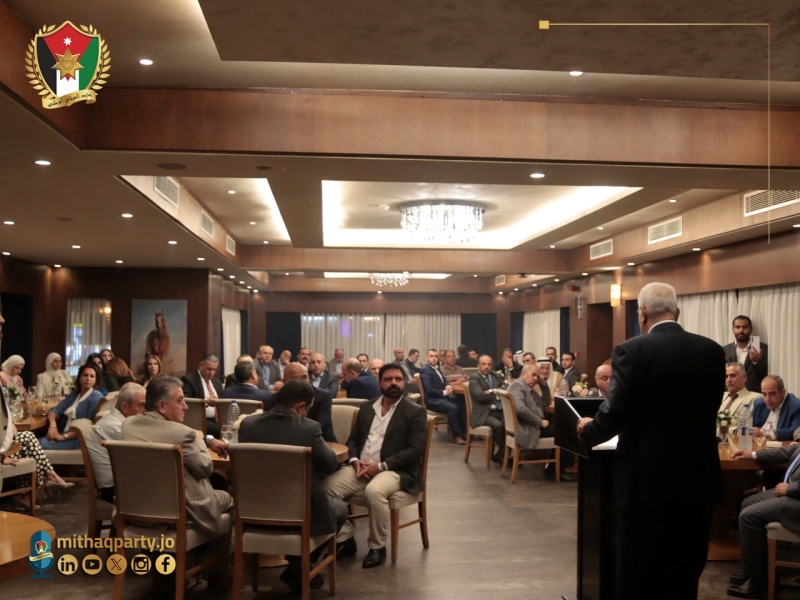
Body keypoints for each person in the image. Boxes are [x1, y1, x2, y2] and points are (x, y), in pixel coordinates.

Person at [576, 282, 725, 600]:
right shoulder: (712, 351)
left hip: (646, 482)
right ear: (677, 312)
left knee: (638, 573)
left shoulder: (632, 350)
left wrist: (589, 429)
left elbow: (616, 412)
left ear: (641, 313)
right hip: (697, 479)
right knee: (684, 573)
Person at [239, 380, 348, 592]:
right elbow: (329, 464)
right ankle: (300, 564)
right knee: (340, 509)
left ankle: (297, 567)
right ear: (300, 407)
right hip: (299, 515)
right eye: (308, 409)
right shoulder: (309, 428)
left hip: (253, 513)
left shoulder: (248, 424)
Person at [324, 363, 428, 569]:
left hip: (396, 470)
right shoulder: (367, 407)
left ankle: (377, 547)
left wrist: (380, 466)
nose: (394, 383)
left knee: (374, 491)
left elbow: (415, 450)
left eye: (398, 379)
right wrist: (354, 461)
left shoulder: (415, 412)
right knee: (325, 489)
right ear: (379, 383)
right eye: (388, 379)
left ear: (404, 382)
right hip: (361, 467)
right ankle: (345, 537)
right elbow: (353, 440)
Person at [121, 377, 233, 536]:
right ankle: (211, 549)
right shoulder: (182, 434)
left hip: (134, 506)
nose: (185, 406)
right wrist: (200, 440)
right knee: (228, 498)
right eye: (180, 401)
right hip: (177, 510)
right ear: (162, 406)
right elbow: (204, 468)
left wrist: (207, 439)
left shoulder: (127, 425)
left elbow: (172, 432)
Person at [728, 443, 800, 598]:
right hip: (792, 492)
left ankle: (760, 583)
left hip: (796, 499)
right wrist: (753, 455)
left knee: (748, 517)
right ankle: (756, 571)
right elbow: (791, 450)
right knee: (747, 503)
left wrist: (790, 489)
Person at [508, 363, 574, 481]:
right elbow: (520, 409)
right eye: (533, 375)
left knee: (565, 428)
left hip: (532, 425)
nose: (536, 378)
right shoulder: (517, 386)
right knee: (567, 432)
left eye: (537, 377)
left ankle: (553, 470)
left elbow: (546, 402)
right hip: (528, 429)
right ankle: (556, 471)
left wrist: (544, 385)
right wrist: (539, 422)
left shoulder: (527, 387)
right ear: (523, 373)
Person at [85, 382, 147, 502]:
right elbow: (144, 455)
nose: (145, 411)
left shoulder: (123, 422)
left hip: (124, 482)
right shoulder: (115, 427)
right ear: (124, 407)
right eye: (142, 406)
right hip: (115, 489)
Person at [39, 364, 104, 450]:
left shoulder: (96, 396)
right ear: (79, 378)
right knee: (35, 440)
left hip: (78, 440)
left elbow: (88, 426)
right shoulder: (75, 394)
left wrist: (63, 437)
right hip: (62, 432)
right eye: (85, 375)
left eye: (92, 376)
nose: (88, 379)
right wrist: (53, 426)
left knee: (38, 443)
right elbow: (55, 410)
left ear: (95, 380)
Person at [267, 363, 336, 442]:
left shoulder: (323, 397)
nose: (302, 382)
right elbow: (272, 425)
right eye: (295, 379)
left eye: (304, 377)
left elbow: (319, 427)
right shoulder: (276, 397)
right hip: (286, 441)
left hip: (321, 441)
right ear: (284, 382)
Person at [419, 349, 466, 445]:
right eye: (431, 356)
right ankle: (456, 436)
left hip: (441, 398)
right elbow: (429, 390)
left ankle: (464, 432)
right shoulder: (425, 370)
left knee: (463, 405)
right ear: (426, 358)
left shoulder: (437, 368)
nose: (434, 358)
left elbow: (444, 381)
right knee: (452, 408)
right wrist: (444, 392)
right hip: (432, 401)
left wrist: (448, 386)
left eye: (436, 356)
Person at [467, 354, 506, 464]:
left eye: (489, 364)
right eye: (483, 364)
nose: (486, 367)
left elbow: (506, 388)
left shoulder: (496, 376)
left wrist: (492, 391)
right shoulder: (474, 378)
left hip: (498, 410)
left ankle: (501, 454)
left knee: (511, 424)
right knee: (498, 426)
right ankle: (504, 454)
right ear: (478, 366)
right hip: (483, 413)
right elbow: (480, 396)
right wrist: (498, 395)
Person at [181, 354, 224, 438]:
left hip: (218, 420)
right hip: (200, 420)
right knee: (222, 430)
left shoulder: (217, 382)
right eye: (209, 369)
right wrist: (206, 402)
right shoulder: (189, 380)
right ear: (201, 365)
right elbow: (186, 401)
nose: (211, 373)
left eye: (214, 370)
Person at [723, 315, 769, 394]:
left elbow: (768, 373)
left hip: (755, 394)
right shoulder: (724, 350)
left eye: (745, 327)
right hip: (731, 394)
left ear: (751, 329)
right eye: (737, 327)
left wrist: (757, 361)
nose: (741, 330)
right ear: (733, 329)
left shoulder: (763, 349)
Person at [751, 375, 800, 441]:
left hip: (782, 446)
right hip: (758, 444)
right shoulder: (759, 404)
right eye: (764, 394)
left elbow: (795, 431)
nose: (767, 399)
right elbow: (746, 424)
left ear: (783, 392)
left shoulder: (796, 406)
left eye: (772, 394)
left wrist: (764, 434)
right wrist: (740, 431)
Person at [718, 362, 762, 427]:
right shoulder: (720, 395)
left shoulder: (755, 397)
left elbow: (749, 425)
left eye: (733, 376)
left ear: (744, 378)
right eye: (726, 376)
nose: (729, 380)